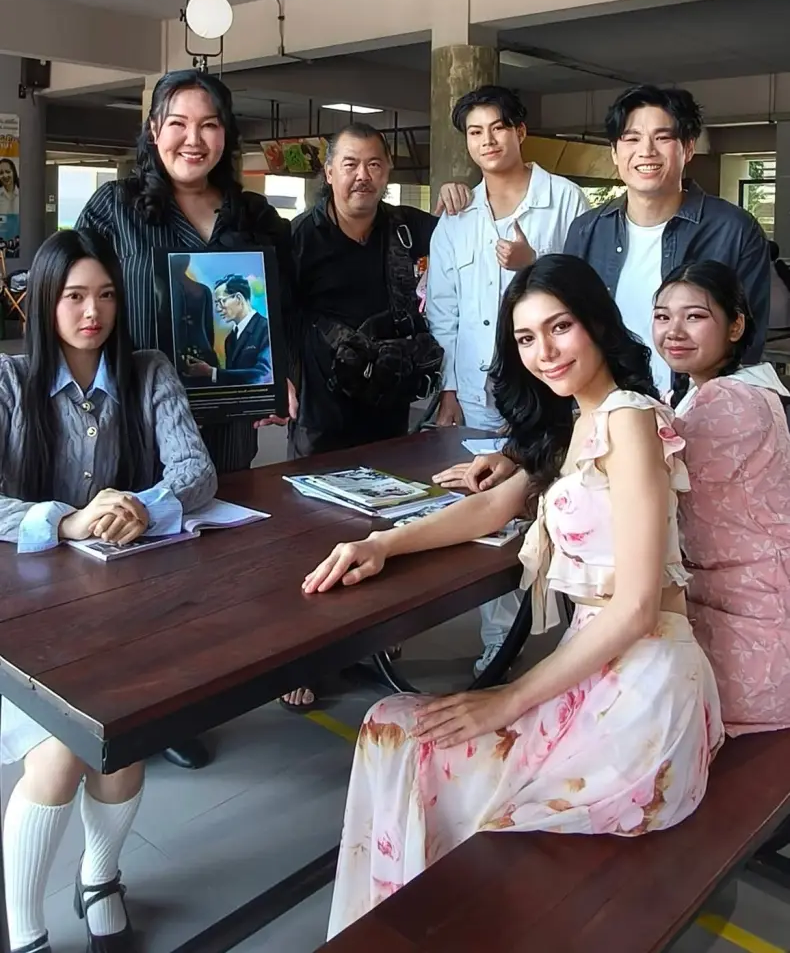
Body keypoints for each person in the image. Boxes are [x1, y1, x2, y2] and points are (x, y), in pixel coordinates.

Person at [304, 255, 722, 935]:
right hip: (601, 670)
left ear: (595, 323)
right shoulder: (577, 424)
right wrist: (382, 544)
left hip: (644, 691)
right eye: (526, 338)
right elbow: (491, 509)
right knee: (394, 731)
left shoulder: (628, 420)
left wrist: (508, 698)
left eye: (560, 327)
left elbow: (638, 606)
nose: (544, 352)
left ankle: (411, 928)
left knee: (400, 735)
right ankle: (398, 929)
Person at [0, 228, 217, 953]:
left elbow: (197, 471)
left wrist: (141, 506)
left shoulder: (148, 372)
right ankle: (26, 933)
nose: (91, 312)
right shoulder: (8, 382)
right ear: (43, 303)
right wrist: (63, 521)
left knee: (122, 742)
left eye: (105, 296)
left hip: (118, 612)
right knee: (61, 754)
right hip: (23, 623)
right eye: (73, 296)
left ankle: (99, 880)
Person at [77, 69, 293, 765]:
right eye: (177, 123)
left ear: (227, 135)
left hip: (227, 414)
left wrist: (279, 375)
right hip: (135, 414)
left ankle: (190, 694)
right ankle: (132, 703)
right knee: (134, 554)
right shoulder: (116, 208)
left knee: (212, 556)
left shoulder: (253, 216)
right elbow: (79, 295)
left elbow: (281, 306)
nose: (192, 139)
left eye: (208, 124)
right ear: (154, 131)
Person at [426, 85, 588, 674]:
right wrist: (447, 390)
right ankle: (500, 638)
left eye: (497, 127)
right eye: (475, 132)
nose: (487, 141)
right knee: (489, 504)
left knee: (566, 498)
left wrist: (532, 266)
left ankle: (583, 626)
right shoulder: (457, 215)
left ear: (520, 131)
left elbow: (588, 288)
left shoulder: (566, 200)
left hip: (554, 384)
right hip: (478, 389)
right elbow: (442, 310)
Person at [652, 260, 790, 736]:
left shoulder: (728, 401)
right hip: (748, 607)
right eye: (663, 316)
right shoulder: (740, 389)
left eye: (695, 316)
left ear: (735, 326)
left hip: (751, 631)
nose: (674, 331)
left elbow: (646, 478)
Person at [565, 84, 770, 394]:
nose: (646, 150)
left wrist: (708, 410)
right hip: (610, 406)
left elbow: (747, 343)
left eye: (662, 137)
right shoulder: (586, 230)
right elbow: (570, 326)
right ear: (615, 152)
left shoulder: (735, 230)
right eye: (632, 138)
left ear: (688, 148)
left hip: (697, 408)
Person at [289, 122, 466, 458]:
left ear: (387, 171)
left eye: (374, 164)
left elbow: (472, 240)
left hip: (391, 404)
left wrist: (459, 196)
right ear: (329, 172)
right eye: (350, 164)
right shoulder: (299, 238)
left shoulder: (409, 227)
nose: (363, 176)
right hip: (321, 413)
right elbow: (277, 315)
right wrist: (281, 379)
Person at [185, 274, 271, 384]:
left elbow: (264, 376)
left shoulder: (266, 329)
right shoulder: (230, 339)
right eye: (216, 303)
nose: (218, 309)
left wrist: (212, 372)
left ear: (238, 298)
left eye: (222, 301)